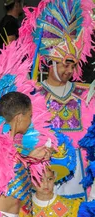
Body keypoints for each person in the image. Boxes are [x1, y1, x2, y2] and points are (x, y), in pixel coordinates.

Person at [20, 0, 95, 200]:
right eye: (65, 65)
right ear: (51, 62)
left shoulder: (86, 94)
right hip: (48, 171)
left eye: (73, 66)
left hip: (81, 172)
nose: (69, 71)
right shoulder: (34, 94)